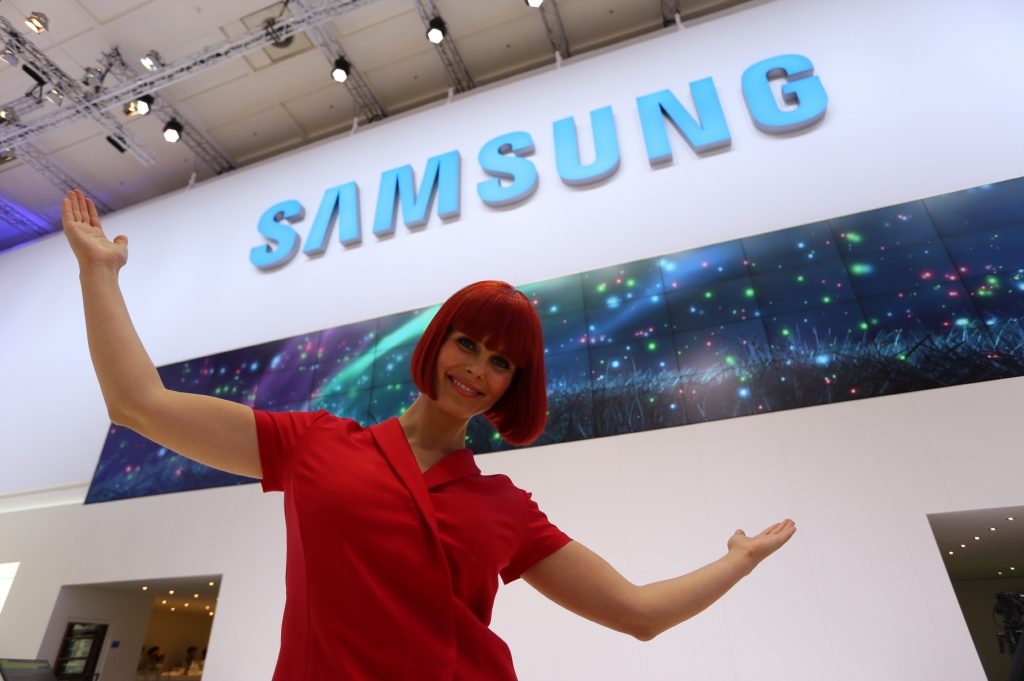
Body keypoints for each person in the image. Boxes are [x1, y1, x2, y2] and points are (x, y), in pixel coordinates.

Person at [62, 190, 796, 681]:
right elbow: (138, 404)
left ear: (513, 384)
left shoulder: (507, 508)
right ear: (438, 342)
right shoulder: (314, 443)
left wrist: (738, 560)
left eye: (501, 362)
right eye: (468, 344)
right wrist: (100, 273)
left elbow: (639, 614)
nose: (477, 369)